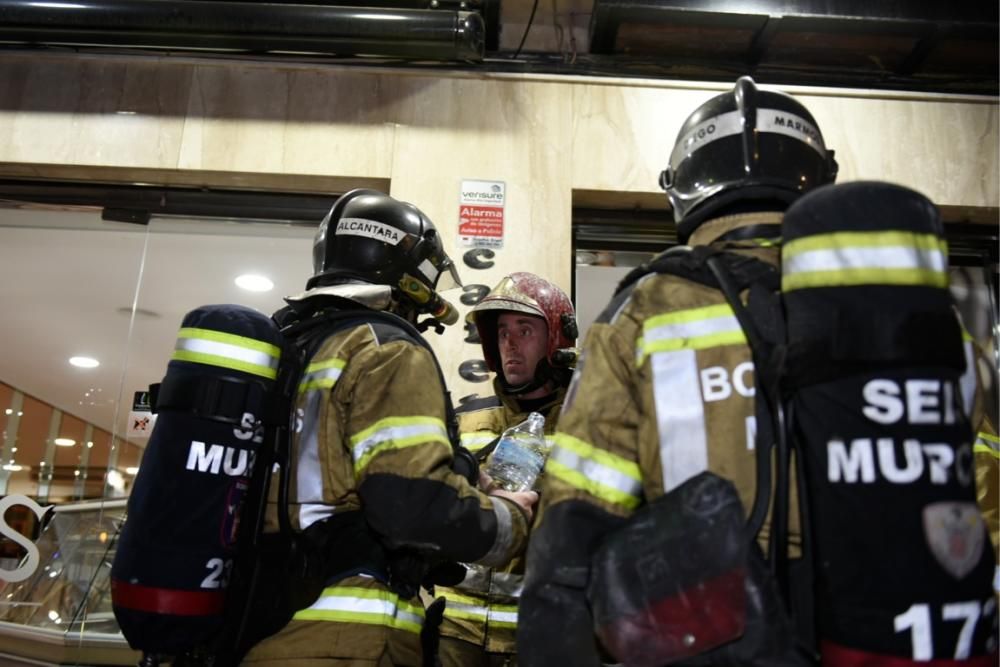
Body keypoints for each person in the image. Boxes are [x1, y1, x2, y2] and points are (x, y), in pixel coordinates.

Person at [519, 76, 997, 666]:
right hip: (887, 630)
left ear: (682, 189)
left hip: (716, 636)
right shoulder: (913, 308)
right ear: (821, 175)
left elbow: (580, 508)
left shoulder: (647, 308)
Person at [241, 190, 538, 666]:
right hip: (347, 638)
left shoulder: (290, 345)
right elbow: (412, 506)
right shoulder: (385, 348)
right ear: (410, 274)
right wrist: (512, 518)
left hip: (261, 623)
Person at [435, 273, 577, 667]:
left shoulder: (589, 426)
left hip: (542, 635)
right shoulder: (466, 423)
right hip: (456, 632)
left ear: (556, 341)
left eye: (525, 330)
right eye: (501, 332)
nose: (510, 344)